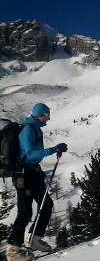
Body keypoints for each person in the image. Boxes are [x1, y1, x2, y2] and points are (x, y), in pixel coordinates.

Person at [6, 103, 68, 261]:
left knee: (46, 205)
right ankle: (13, 249)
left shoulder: (35, 129)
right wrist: (52, 150)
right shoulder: (28, 130)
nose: (48, 118)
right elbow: (31, 154)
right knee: (25, 212)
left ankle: (34, 238)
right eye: (46, 115)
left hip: (33, 173)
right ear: (39, 114)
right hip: (23, 175)